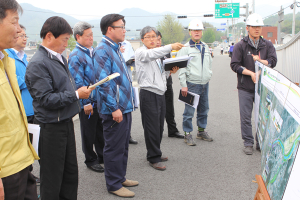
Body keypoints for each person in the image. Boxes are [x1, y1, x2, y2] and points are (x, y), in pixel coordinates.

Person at [25, 16, 93, 200]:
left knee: (70, 173)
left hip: (65, 121)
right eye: (64, 39)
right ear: (49, 36)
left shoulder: (58, 58)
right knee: (53, 177)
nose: (66, 43)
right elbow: (46, 99)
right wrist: (77, 95)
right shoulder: (38, 63)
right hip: (50, 127)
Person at [93, 14, 138, 198]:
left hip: (123, 106)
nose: (124, 30)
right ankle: (113, 184)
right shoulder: (103, 50)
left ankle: (120, 177)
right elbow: (104, 83)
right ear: (109, 29)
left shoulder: (116, 48)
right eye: (121, 27)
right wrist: (114, 108)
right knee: (113, 147)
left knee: (123, 146)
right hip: (115, 108)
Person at [0, 1, 39, 199]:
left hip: (22, 159)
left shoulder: (6, 59)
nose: (19, 29)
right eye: (14, 22)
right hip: (5, 169)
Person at [135, 26, 183, 171]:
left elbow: (161, 75)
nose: (152, 39)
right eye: (148, 37)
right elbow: (150, 55)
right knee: (151, 127)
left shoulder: (157, 56)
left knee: (159, 126)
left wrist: (170, 72)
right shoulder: (141, 52)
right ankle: (153, 157)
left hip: (160, 93)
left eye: (154, 36)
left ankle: (156, 152)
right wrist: (170, 47)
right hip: (149, 94)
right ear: (142, 39)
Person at [230, 13, 277, 155]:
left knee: (262, 116)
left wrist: (261, 67)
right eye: (254, 27)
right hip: (245, 87)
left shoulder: (267, 45)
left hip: (263, 87)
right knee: (245, 116)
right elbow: (234, 65)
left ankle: (260, 142)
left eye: (259, 27)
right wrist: (251, 73)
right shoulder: (240, 46)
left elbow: (273, 61)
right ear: (247, 28)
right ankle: (248, 142)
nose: (257, 29)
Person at [5, 24, 41, 185]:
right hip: (20, 110)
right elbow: (14, 81)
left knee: (32, 144)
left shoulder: (24, 56)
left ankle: (29, 175)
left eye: (26, 35)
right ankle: (26, 176)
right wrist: (31, 80)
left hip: (31, 107)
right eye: (21, 35)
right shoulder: (7, 56)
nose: (25, 38)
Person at [68, 21, 105, 173]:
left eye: (92, 35)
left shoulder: (93, 51)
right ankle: (90, 159)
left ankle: (102, 155)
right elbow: (78, 82)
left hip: (98, 99)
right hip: (87, 101)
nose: (91, 38)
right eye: (88, 35)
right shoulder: (76, 55)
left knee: (99, 130)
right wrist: (86, 103)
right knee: (88, 131)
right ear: (78, 36)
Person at [177, 19, 213, 146]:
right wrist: (183, 85)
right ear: (190, 32)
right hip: (191, 83)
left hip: (204, 83)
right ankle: (187, 134)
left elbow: (209, 64)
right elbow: (181, 68)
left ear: (202, 32)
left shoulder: (205, 47)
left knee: (204, 109)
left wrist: (209, 74)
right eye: (194, 30)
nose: (197, 32)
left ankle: (201, 131)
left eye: (199, 30)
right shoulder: (185, 48)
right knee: (189, 111)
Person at [157, 31, 184, 139]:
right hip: (157, 86)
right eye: (156, 39)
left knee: (169, 108)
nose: (158, 41)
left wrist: (172, 70)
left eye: (160, 39)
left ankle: (172, 130)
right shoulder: (150, 52)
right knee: (158, 110)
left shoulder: (165, 51)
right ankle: (158, 130)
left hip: (168, 83)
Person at [120, 39, 138, 144]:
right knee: (118, 110)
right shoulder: (109, 46)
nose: (123, 31)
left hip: (128, 80)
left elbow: (133, 60)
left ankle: (128, 135)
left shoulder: (127, 44)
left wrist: (132, 61)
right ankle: (121, 136)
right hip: (117, 84)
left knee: (128, 110)